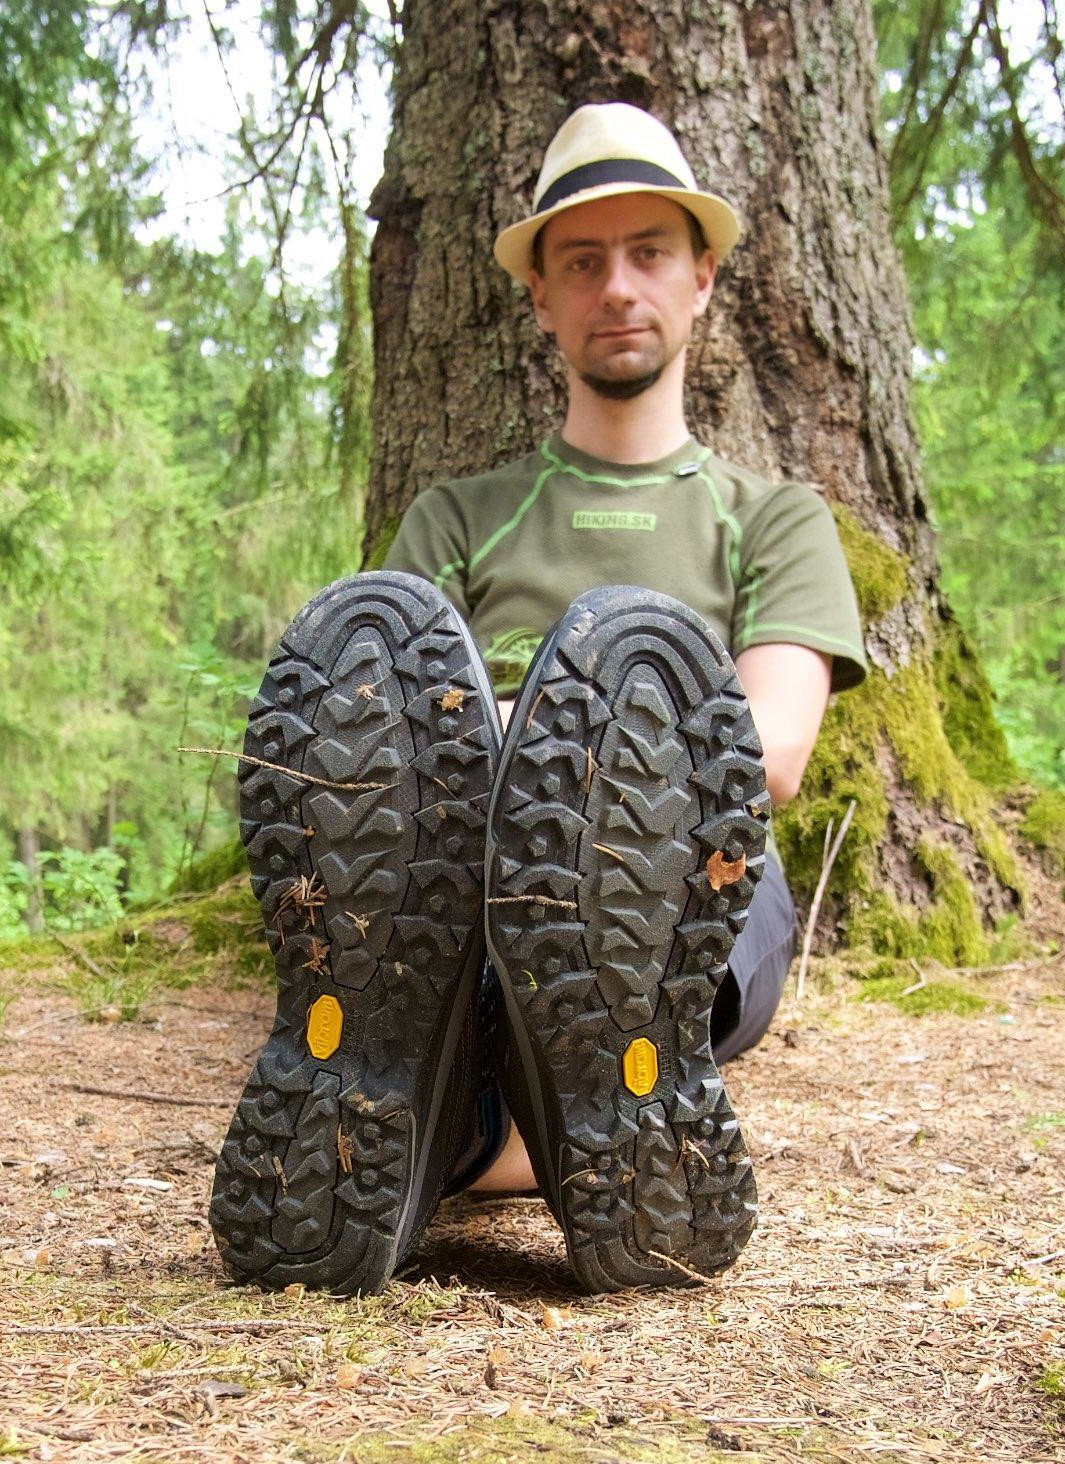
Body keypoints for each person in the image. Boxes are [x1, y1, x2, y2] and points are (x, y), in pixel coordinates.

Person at [208, 103, 867, 1297]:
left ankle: (469, 1131)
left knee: (672, 873)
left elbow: (768, 753)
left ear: (702, 276)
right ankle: (528, 1114)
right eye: (582, 261)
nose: (617, 286)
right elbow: (367, 733)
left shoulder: (773, 520)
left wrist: (559, 751)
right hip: (460, 878)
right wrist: (523, 777)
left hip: (686, 873)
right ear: (540, 297)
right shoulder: (459, 518)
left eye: (648, 253)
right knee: (424, 866)